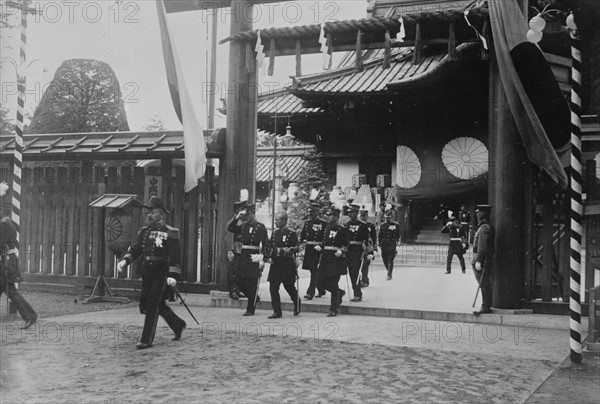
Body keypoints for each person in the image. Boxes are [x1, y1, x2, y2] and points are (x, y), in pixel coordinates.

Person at [117, 196, 186, 349]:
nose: (149, 215)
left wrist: (173, 276)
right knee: (147, 305)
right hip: (146, 272)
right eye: (148, 212)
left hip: (161, 274)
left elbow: (175, 256)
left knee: (153, 304)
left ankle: (146, 339)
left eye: (153, 212)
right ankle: (178, 324)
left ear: (161, 214)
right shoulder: (144, 232)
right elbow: (136, 249)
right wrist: (125, 260)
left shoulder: (170, 232)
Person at [0, 182, 38, 330]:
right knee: (11, 291)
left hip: (5, 263)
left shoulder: (3, 224)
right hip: (7, 262)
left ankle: (30, 316)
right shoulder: (7, 222)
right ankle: (31, 316)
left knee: (11, 291)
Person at [226, 203, 268, 316]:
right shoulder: (243, 226)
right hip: (244, 253)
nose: (247, 216)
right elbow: (230, 228)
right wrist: (237, 217)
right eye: (246, 214)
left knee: (253, 281)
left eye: (249, 214)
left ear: (253, 213)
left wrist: (262, 260)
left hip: (255, 254)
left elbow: (265, 244)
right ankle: (253, 297)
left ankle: (251, 307)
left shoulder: (260, 227)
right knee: (239, 280)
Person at [314, 206, 348, 317]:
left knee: (333, 283)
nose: (327, 217)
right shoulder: (326, 228)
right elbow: (324, 242)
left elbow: (347, 245)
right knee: (318, 281)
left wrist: (341, 251)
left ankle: (334, 309)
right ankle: (340, 293)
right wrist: (320, 246)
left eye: (330, 215)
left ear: (337, 217)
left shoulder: (342, 230)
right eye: (327, 215)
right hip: (325, 258)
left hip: (336, 259)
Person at [267, 212, 301, 318]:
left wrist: (283, 251)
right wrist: (269, 256)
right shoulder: (274, 233)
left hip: (287, 264)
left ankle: (297, 304)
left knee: (289, 287)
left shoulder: (291, 233)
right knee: (273, 288)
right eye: (275, 219)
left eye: (278, 220)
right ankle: (277, 311)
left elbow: (295, 247)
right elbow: (270, 247)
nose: (276, 222)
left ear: (284, 220)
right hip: (276, 263)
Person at [299, 201, 327, 300]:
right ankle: (321, 289)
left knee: (315, 271)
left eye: (313, 212)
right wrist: (299, 244)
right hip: (310, 249)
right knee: (313, 271)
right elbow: (302, 236)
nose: (311, 214)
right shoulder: (307, 223)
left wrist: (322, 246)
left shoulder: (323, 223)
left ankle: (310, 292)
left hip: (318, 250)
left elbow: (326, 238)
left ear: (318, 212)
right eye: (310, 212)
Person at [471, 204, 495, 315]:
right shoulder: (485, 227)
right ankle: (486, 305)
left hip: (482, 260)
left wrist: (478, 261)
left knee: (484, 283)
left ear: (483, 214)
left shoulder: (484, 228)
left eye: (478, 212)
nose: (477, 214)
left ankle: (486, 307)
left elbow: (482, 246)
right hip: (482, 259)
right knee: (484, 283)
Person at [344, 203, 370, 302]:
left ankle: (357, 294)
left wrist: (368, 252)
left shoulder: (362, 225)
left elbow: (368, 240)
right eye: (349, 213)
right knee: (351, 272)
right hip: (348, 251)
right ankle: (357, 291)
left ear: (356, 213)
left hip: (358, 251)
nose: (350, 215)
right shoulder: (347, 225)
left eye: (352, 213)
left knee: (354, 272)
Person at [225, 199, 247, 300]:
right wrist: (230, 250)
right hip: (234, 249)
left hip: (241, 248)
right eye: (240, 209)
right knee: (233, 271)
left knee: (239, 271)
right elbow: (229, 237)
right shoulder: (232, 222)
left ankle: (238, 289)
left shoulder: (243, 222)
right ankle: (232, 291)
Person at [378, 209, 401, 280]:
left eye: (389, 217)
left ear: (391, 217)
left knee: (390, 259)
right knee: (385, 259)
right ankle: (389, 270)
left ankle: (389, 274)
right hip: (384, 245)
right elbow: (380, 236)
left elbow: (398, 235)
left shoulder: (396, 225)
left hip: (392, 244)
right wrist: (379, 243)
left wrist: (397, 245)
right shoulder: (382, 225)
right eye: (386, 217)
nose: (388, 218)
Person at [358, 208, 376, 288]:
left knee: (365, 265)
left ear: (367, 216)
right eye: (361, 216)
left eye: (364, 216)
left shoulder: (370, 226)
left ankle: (365, 280)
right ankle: (359, 280)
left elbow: (373, 238)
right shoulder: (357, 225)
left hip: (367, 248)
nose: (363, 217)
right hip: (359, 248)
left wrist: (373, 250)